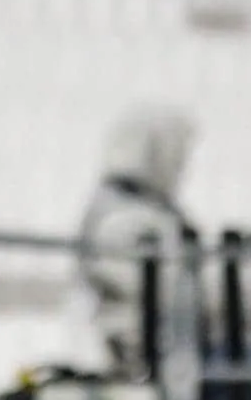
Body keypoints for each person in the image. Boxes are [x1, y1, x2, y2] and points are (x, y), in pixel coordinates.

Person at [75, 107, 196, 379]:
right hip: (145, 361)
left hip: (166, 350)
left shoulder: (146, 212)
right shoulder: (124, 220)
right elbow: (174, 287)